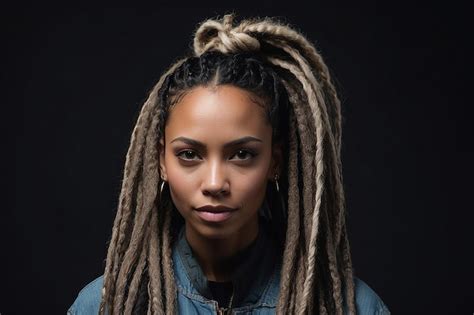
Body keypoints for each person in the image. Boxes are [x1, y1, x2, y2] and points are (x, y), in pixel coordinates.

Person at [68, 14, 390, 314]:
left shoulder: (350, 307)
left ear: (274, 162)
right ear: (161, 162)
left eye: (242, 154)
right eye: (189, 155)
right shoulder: (104, 306)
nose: (214, 183)